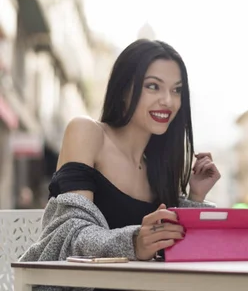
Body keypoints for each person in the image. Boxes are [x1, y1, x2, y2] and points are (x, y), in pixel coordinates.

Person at [20, 39, 220, 266]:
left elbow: (177, 252)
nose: (168, 101)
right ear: (124, 89)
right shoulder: (87, 132)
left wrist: (195, 197)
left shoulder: (159, 166)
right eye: (153, 86)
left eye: (176, 90)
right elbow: (70, 235)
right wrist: (135, 242)